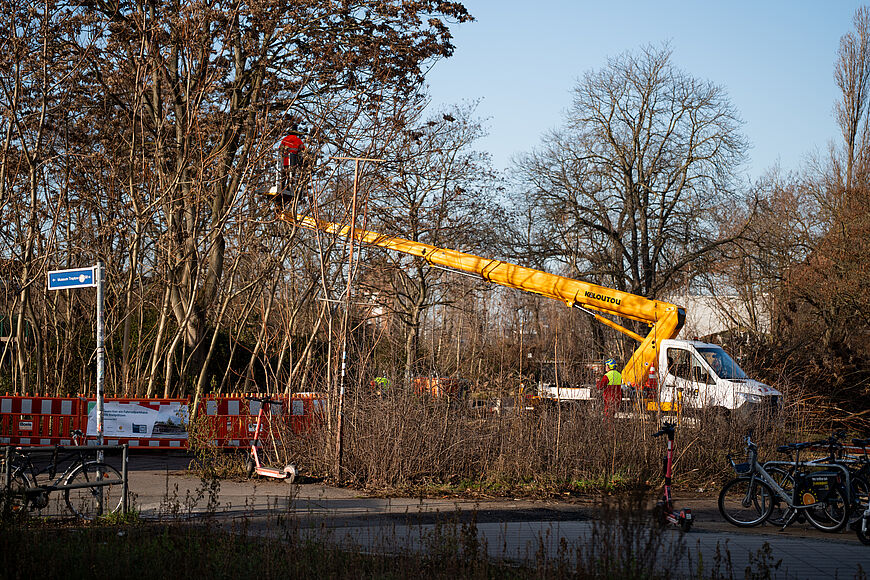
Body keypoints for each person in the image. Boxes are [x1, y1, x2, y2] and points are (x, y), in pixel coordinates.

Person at [279, 124, 305, 200]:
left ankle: (282, 187)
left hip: (285, 161)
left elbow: (280, 150)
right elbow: (302, 151)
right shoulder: (299, 141)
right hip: (294, 163)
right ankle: (288, 187)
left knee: (284, 175)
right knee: (292, 176)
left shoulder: (285, 139)